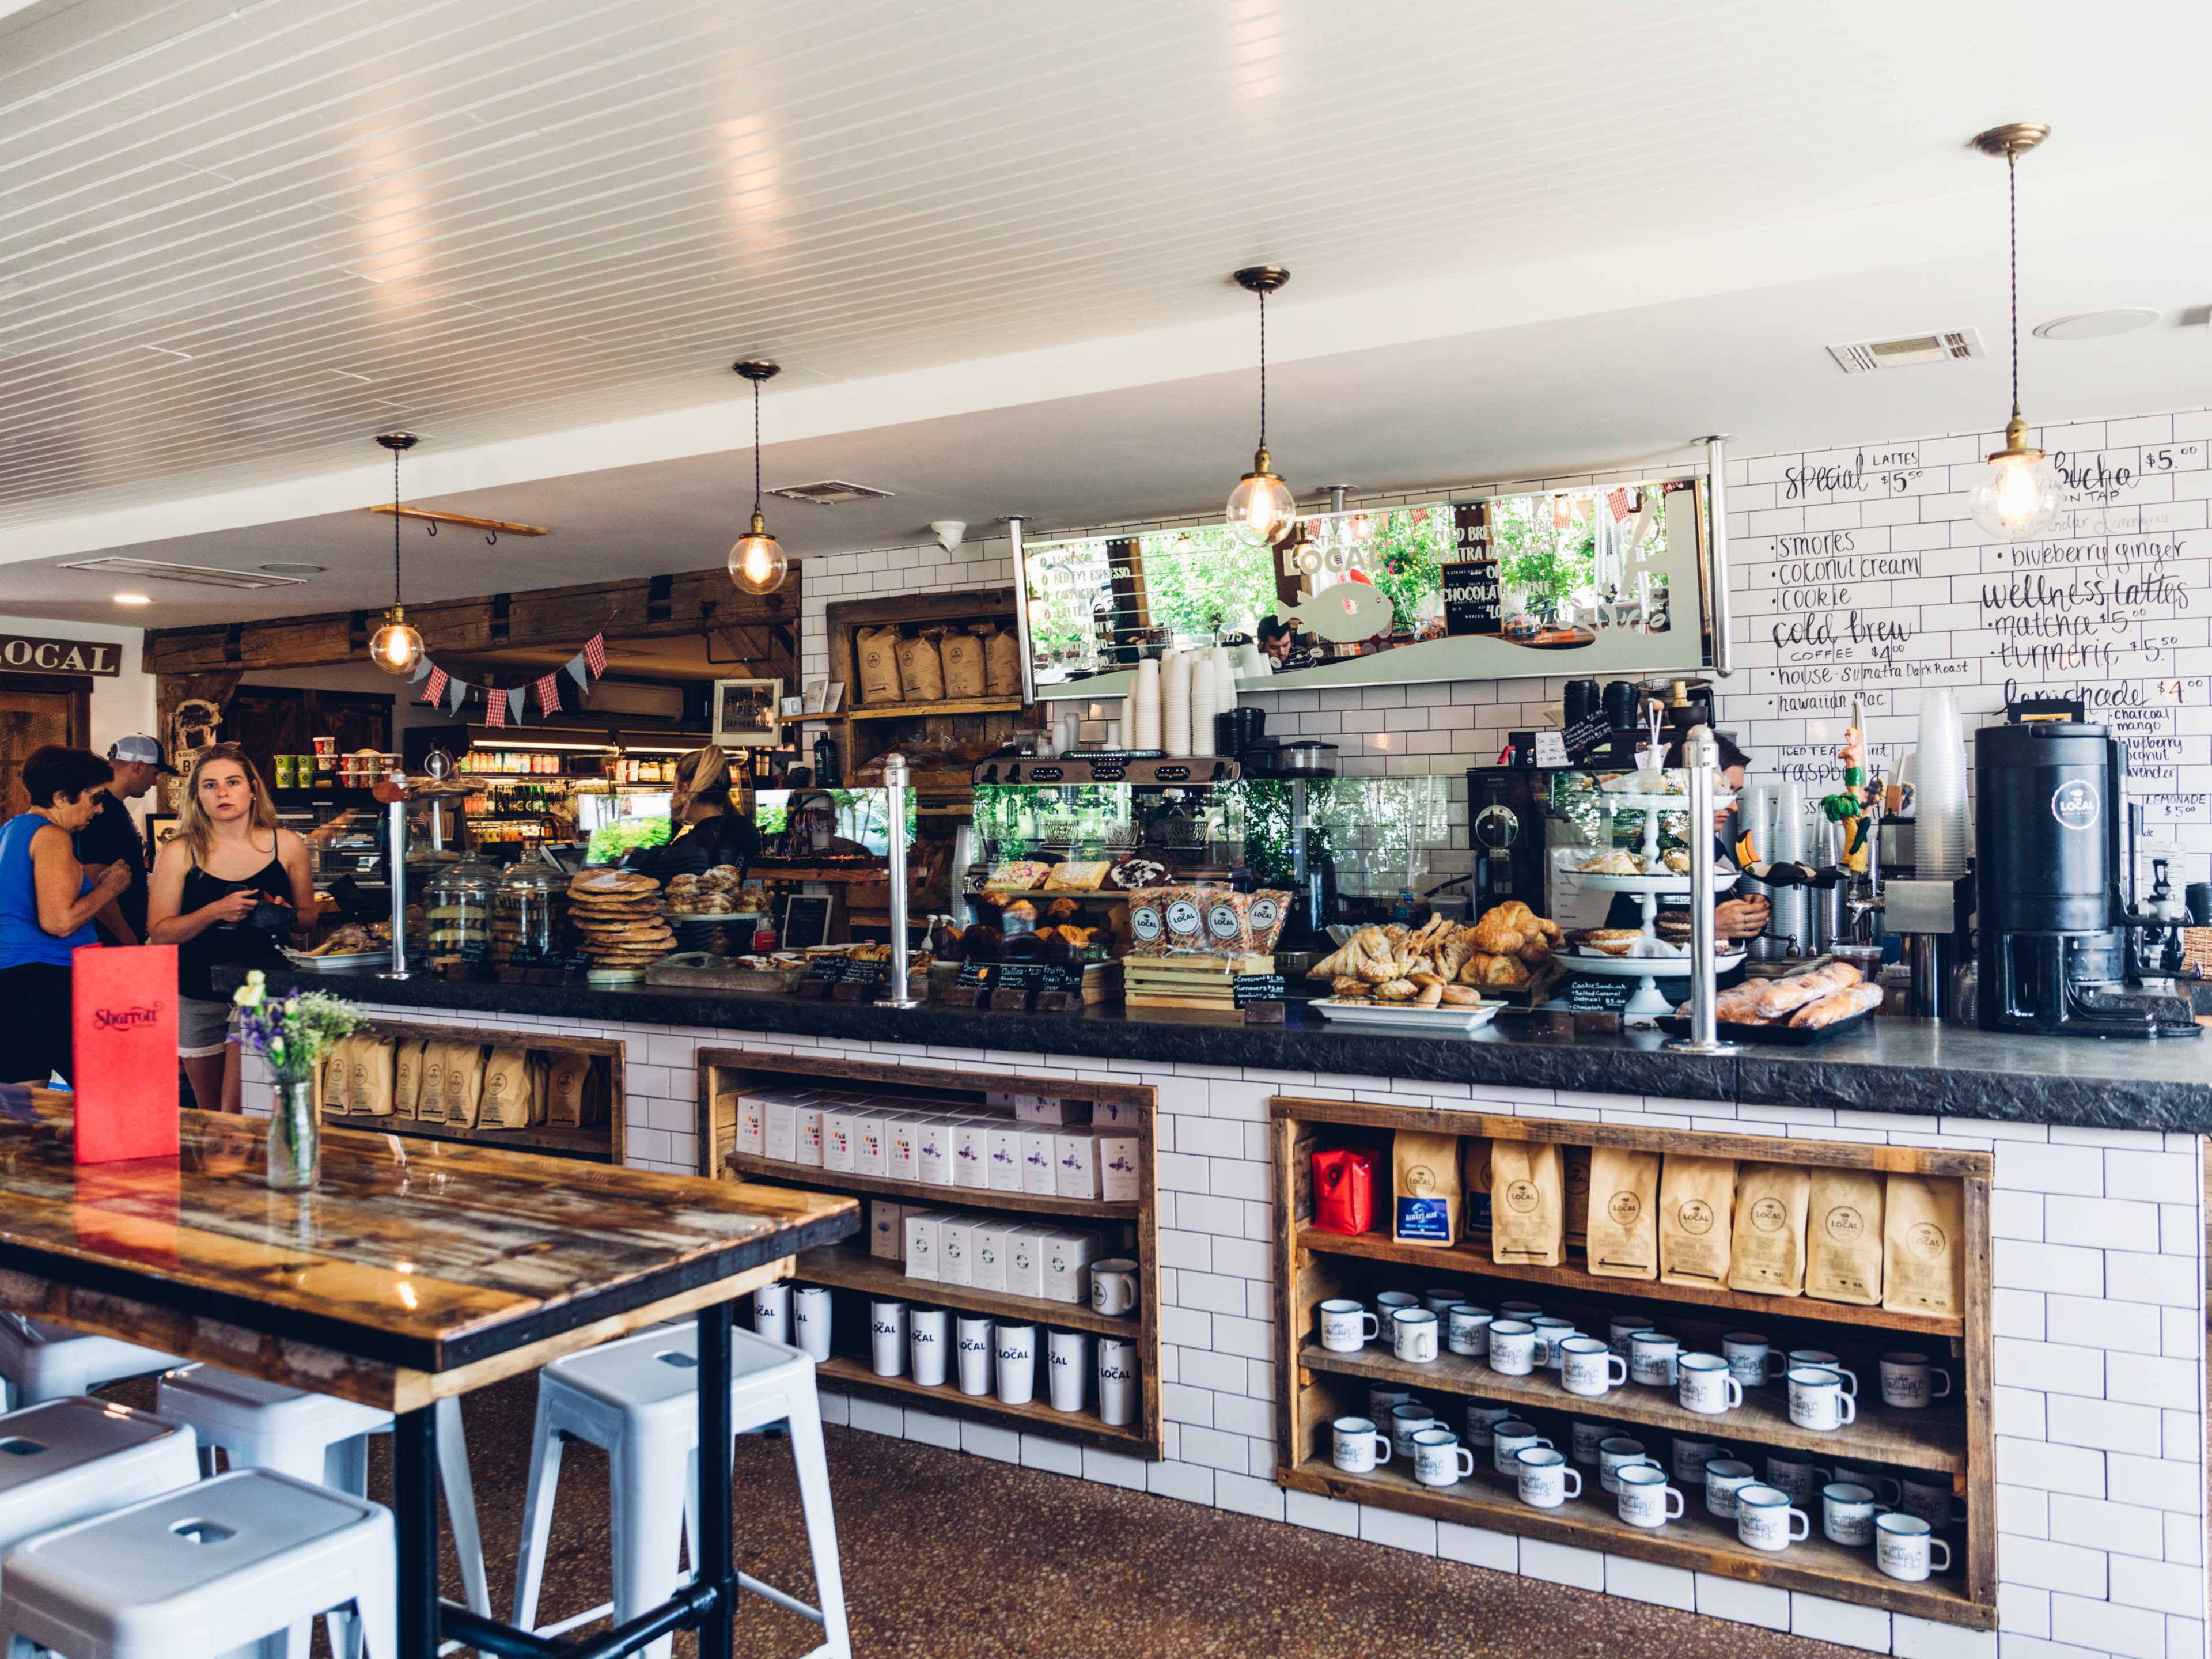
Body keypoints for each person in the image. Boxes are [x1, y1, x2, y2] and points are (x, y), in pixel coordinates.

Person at [147, 744, 314, 1113]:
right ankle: (218, 1172)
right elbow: (160, 932)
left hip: (264, 990)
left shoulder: (286, 846)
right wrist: (213, 912)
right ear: (198, 797)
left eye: (232, 782)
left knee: (246, 1109)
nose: (222, 792)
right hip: (195, 990)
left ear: (253, 789)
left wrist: (284, 915)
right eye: (210, 785)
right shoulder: (179, 852)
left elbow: (308, 921)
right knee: (211, 1116)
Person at [0, 748, 135, 1085]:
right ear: (62, 797)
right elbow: (58, 922)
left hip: (19, 980)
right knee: (112, 1091)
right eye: (95, 798)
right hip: (45, 979)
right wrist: (109, 889)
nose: (100, 808)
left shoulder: (13, 829)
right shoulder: (52, 836)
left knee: (20, 1104)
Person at [623, 744, 762, 950]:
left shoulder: (689, 847)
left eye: (674, 788)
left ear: (685, 790)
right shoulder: (745, 829)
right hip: (742, 943)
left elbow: (637, 876)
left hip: (695, 949)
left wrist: (671, 823)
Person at [77, 734, 176, 948]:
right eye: (155, 773)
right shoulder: (101, 812)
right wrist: (127, 938)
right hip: (108, 942)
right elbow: (94, 878)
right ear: (139, 766)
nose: (154, 782)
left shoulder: (113, 807)